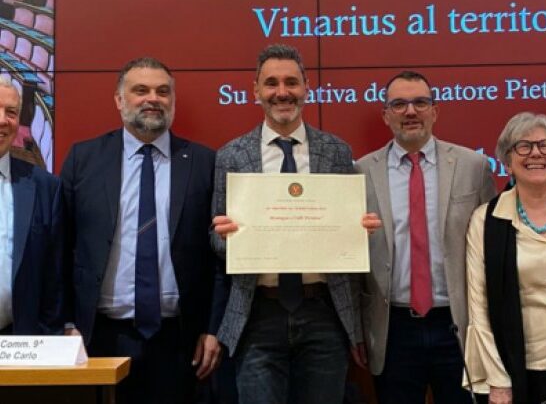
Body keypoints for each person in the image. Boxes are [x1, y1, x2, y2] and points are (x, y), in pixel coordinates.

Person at [211, 44, 380, 404]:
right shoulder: (231, 155)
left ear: (306, 87)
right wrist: (226, 237)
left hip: (323, 312)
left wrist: (358, 231)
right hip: (257, 313)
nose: (282, 92)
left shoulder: (336, 151)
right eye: (271, 83)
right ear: (256, 90)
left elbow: (347, 235)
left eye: (291, 82)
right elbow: (215, 241)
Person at [60, 57, 223, 404]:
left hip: (181, 341)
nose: (153, 99)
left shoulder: (204, 163)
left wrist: (213, 328)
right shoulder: (83, 159)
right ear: (119, 100)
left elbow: (219, 257)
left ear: (173, 101)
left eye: (163, 92)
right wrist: (67, 323)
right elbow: (61, 247)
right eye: (141, 90)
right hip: (99, 337)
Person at [355, 70, 496, 404]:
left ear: (435, 111)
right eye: (399, 104)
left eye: (420, 102)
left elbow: (492, 248)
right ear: (385, 114)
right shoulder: (361, 171)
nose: (410, 111)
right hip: (393, 328)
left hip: (458, 324)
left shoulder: (473, 166)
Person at [465, 112, 546, 404]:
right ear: (507, 162)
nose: (536, 153)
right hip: (523, 370)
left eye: (545, 145)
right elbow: (479, 308)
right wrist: (498, 381)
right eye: (523, 146)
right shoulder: (486, 220)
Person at [0, 77, 63, 335]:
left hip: (21, 342)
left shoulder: (44, 187)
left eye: (11, 112)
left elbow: (54, 274)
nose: (3, 120)